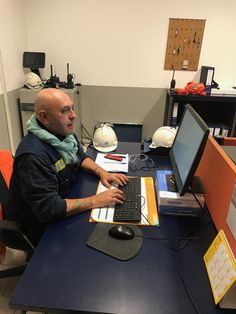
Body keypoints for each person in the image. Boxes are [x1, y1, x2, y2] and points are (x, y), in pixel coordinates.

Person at [6, 88, 128, 245]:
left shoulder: (64, 134)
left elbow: (80, 156)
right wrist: (95, 200)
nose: (73, 115)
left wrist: (102, 172)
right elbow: (49, 208)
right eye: (65, 110)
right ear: (44, 117)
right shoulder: (33, 157)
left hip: (63, 199)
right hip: (37, 227)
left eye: (72, 108)